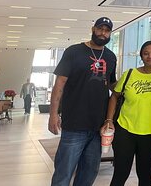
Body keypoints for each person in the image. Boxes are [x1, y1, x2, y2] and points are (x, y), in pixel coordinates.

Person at [49, 17, 117, 186]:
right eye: (100, 29)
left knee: (89, 174)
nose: (103, 33)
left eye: (107, 30)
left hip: (97, 128)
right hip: (74, 125)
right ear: (93, 29)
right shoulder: (73, 52)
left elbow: (112, 85)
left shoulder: (110, 57)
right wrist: (53, 115)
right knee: (63, 173)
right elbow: (59, 84)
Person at [102, 41, 151, 186]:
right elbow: (115, 96)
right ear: (141, 56)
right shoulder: (130, 74)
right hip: (125, 130)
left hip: (150, 133)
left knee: (145, 176)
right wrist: (109, 120)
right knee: (120, 174)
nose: (150, 56)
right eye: (146, 53)